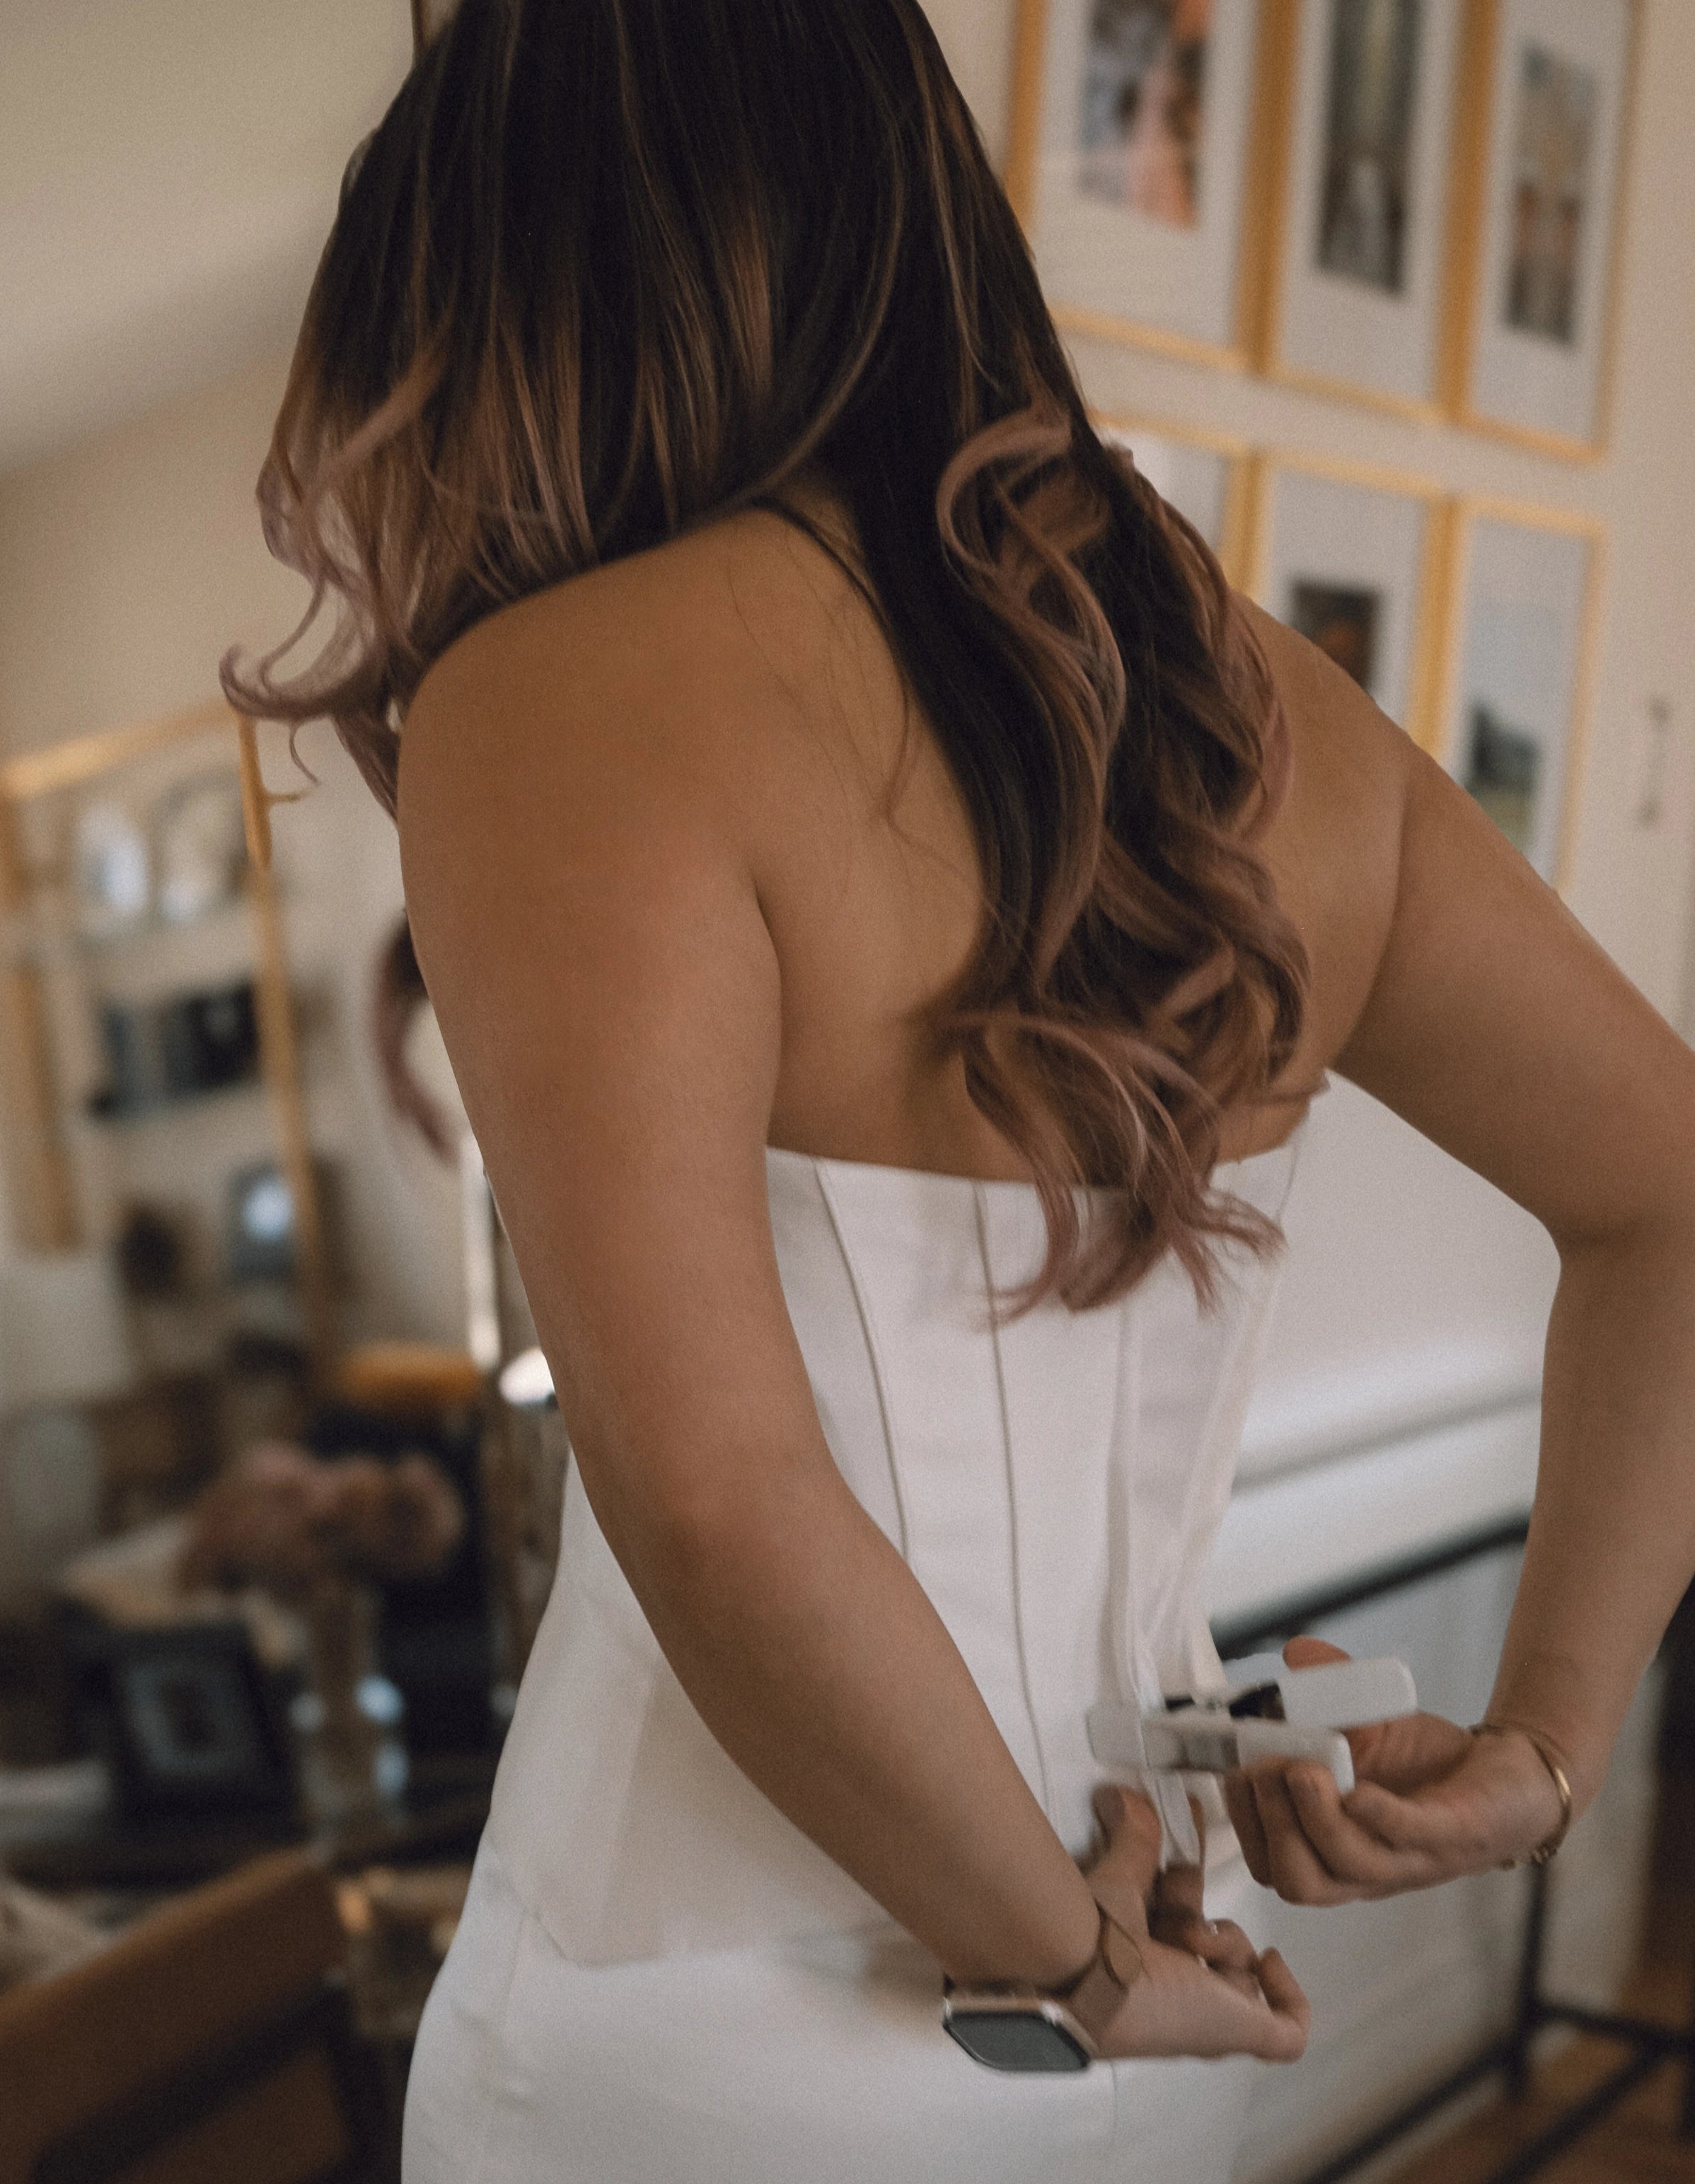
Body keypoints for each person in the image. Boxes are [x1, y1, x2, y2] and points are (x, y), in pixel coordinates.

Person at [226, 4, 1695, 2176]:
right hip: (1122, 2038)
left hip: (721, 2043)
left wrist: (1070, 1966)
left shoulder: (555, 701)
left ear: (524, 282)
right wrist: (1547, 1748)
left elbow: (720, 1497)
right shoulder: (1256, 717)